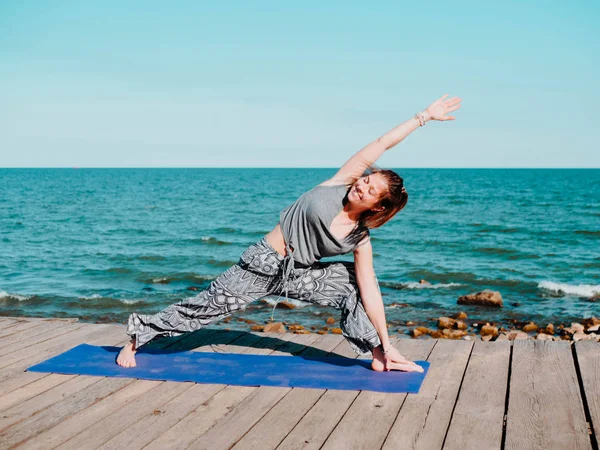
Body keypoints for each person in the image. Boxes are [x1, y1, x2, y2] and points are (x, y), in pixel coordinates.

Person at [117, 94, 461, 372]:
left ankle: (377, 352)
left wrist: (387, 342)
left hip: (297, 276)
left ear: (377, 207)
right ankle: (136, 337)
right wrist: (423, 117)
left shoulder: (359, 238)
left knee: (355, 282)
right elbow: (382, 143)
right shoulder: (338, 182)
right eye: (366, 179)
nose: (361, 186)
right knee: (204, 308)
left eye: (370, 190)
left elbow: (372, 293)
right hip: (261, 265)